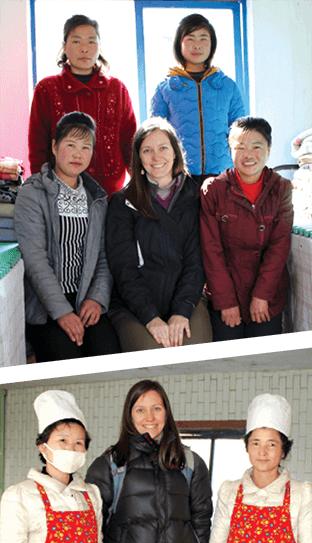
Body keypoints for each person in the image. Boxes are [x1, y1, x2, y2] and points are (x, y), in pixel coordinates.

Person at [86, 379, 212, 543]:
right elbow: (90, 530)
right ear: (129, 415)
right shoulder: (111, 464)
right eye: (140, 410)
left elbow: (201, 523)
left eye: (157, 408)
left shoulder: (190, 463)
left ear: (167, 412)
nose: (150, 418)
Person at [0, 389, 111, 543]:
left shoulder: (90, 495)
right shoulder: (21, 495)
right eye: (63, 441)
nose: (71, 448)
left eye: (78, 443)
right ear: (43, 446)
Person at [205, 393, 312, 543]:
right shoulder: (230, 492)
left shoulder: (300, 493)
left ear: (283, 449)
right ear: (247, 447)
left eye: (272, 444)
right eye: (255, 443)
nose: (262, 452)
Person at [14, 111, 120, 362]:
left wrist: (96, 298)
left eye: (86, 147)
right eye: (70, 145)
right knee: (66, 358)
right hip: (45, 306)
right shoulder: (32, 194)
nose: (78, 154)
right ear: (54, 146)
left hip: (86, 300)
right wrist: (62, 312)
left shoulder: (97, 198)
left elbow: (105, 257)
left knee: (109, 356)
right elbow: (35, 259)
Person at [106, 116, 212, 351]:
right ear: (138, 158)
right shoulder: (122, 203)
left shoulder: (196, 196)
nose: (156, 157)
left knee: (196, 352)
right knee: (152, 353)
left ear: (175, 152)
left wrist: (182, 311)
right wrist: (150, 318)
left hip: (186, 299)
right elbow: (124, 269)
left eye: (163, 148)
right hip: (135, 307)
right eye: (147, 150)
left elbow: (197, 262)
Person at [200, 116, 294, 341]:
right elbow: (211, 250)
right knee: (229, 364)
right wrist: (225, 301)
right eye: (239, 147)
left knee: (264, 364)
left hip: (268, 295)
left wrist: (262, 295)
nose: (248, 155)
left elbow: (279, 248)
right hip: (225, 295)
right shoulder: (214, 190)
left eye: (256, 146)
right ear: (230, 150)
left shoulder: (282, 189)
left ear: (269, 150)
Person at [28, 14, 136, 195]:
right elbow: (38, 143)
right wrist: (41, 188)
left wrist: (140, 187)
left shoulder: (117, 89)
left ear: (99, 47)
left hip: (110, 190)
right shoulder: (47, 88)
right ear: (64, 46)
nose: (84, 49)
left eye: (91, 41)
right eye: (76, 41)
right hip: (60, 190)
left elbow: (130, 142)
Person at [151, 13, 245, 183]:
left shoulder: (228, 86)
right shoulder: (165, 89)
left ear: (212, 45)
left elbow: (241, 133)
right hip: (179, 175)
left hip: (222, 174)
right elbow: (155, 136)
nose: (197, 45)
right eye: (190, 38)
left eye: (203, 38)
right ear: (179, 43)